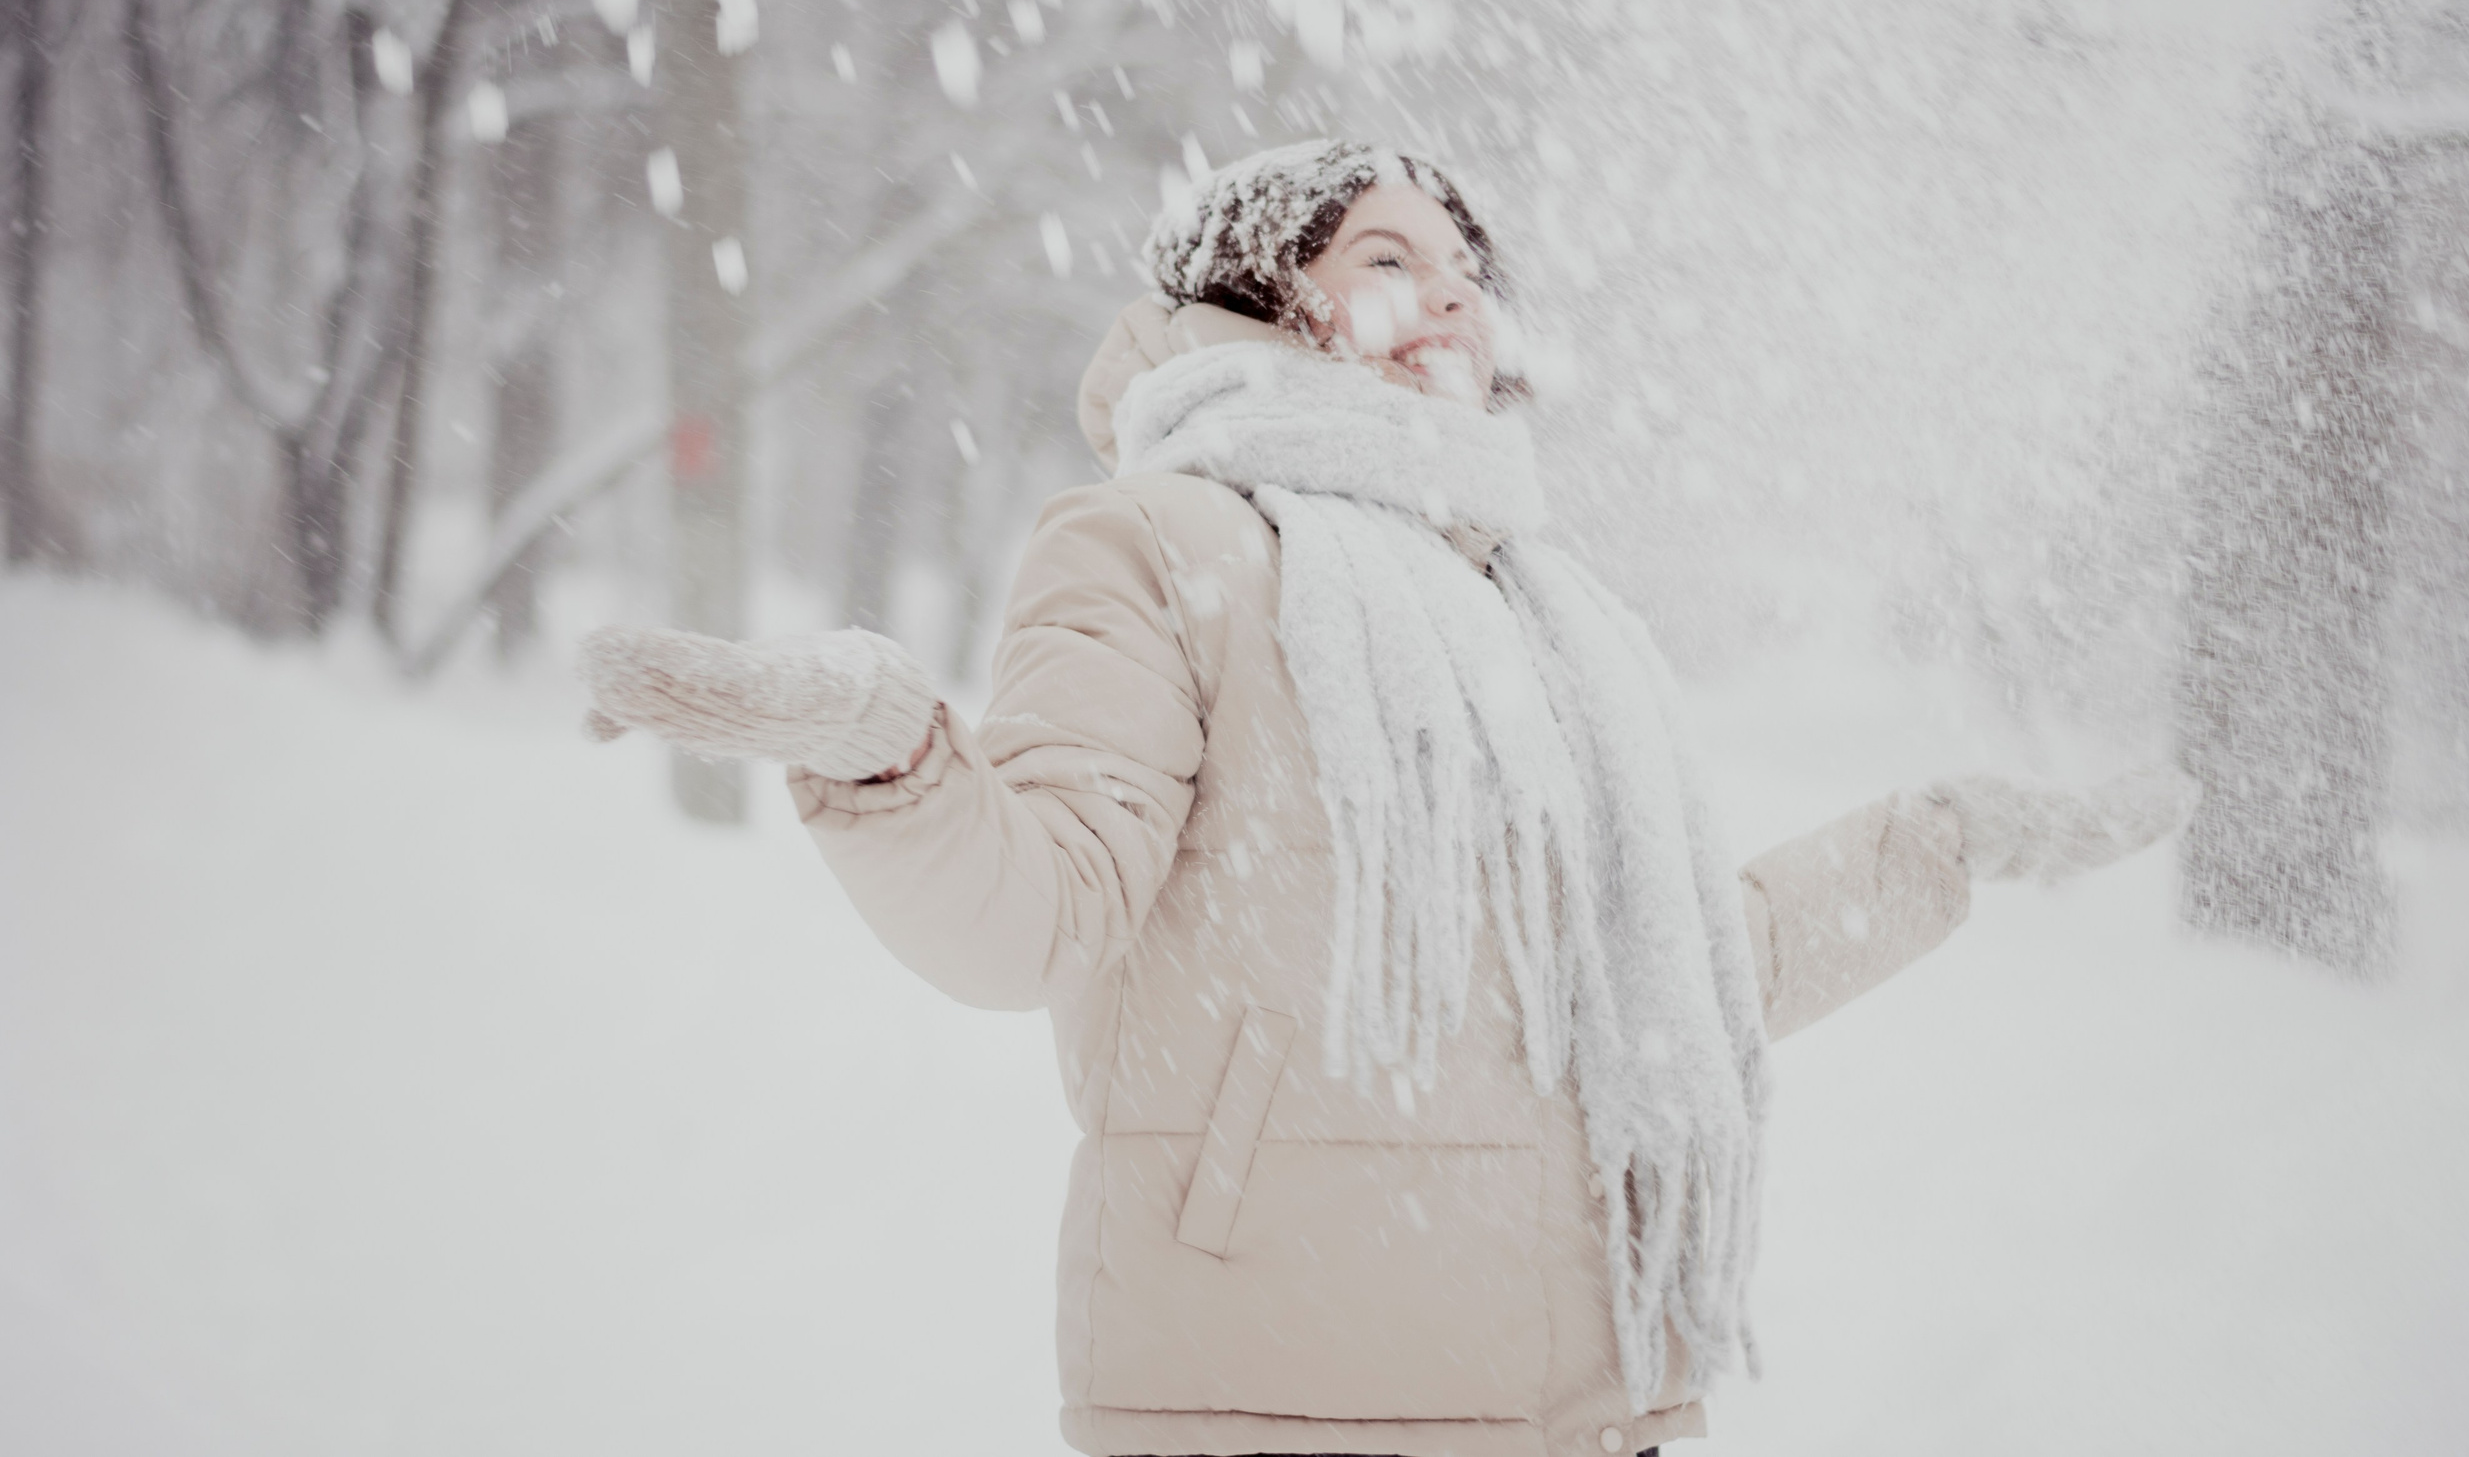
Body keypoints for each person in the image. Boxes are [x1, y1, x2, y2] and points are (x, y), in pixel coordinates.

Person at [577, 140, 2189, 1457]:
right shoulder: (1162, 543)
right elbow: (1038, 913)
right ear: (1266, 302)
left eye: (1469, 273)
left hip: (1583, 1409)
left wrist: (1936, 849)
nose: (1452, 301)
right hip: (1277, 1399)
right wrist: (895, 756)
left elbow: (1668, 981)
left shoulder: (1546, 612)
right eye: (1390, 260)